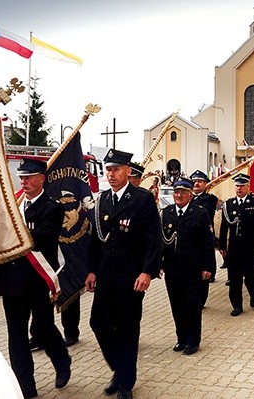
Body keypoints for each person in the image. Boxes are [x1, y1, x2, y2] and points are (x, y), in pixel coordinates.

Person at [85, 149, 162, 399]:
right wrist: (91, 270)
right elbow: (95, 240)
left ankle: (126, 383)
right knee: (98, 323)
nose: (111, 174)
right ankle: (119, 369)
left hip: (131, 279)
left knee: (128, 328)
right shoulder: (102, 200)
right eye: (108, 169)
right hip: (106, 276)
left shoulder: (141, 199)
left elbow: (153, 240)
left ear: (128, 171)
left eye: (116, 169)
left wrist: (147, 272)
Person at [0, 158, 71, 399]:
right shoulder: (14, 207)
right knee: (16, 336)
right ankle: (26, 387)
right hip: (12, 282)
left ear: (42, 178)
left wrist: (12, 225)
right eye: (21, 177)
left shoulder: (53, 208)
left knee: (42, 328)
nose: (24, 181)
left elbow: (41, 239)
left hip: (38, 281)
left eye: (29, 177)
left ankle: (62, 361)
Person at [160, 178, 215, 355]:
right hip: (172, 269)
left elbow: (208, 242)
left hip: (193, 268)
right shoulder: (167, 212)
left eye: (183, 192)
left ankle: (193, 340)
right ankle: (181, 338)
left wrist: (208, 267)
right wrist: (160, 263)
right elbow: (162, 241)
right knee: (176, 305)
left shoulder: (200, 213)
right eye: (176, 192)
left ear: (190, 194)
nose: (179, 196)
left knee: (192, 305)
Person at [218, 173, 254, 316]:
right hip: (233, 247)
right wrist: (222, 246)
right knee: (234, 278)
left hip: (250, 246)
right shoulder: (228, 204)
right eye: (237, 186)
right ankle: (237, 306)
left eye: (242, 186)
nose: (239, 188)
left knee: (250, 275)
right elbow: (223, 227)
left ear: (248, 187)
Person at [190, 169, 219, 293]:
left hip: (203, 234)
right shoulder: (188, 197)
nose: (196, 184)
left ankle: (210, 273)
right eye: (194, 181)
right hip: (189, 235)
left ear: (205, 184)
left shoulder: (210, 199)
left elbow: (204, 211)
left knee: (206, 257)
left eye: (200, 182)